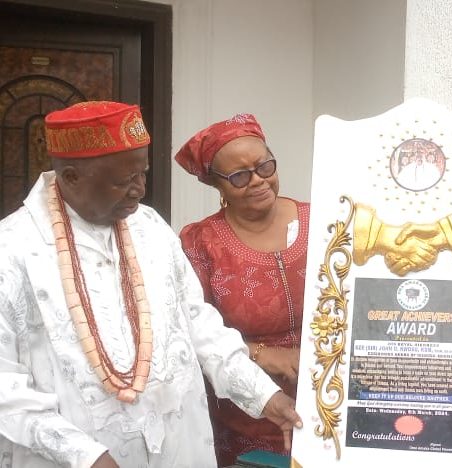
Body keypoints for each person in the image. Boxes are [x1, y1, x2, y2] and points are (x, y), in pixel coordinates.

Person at [0, 101, 301, 468]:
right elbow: (4, 385)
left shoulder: (150, 227)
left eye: (142, 174)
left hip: (178, 449)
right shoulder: (14, 249)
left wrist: (264, 395)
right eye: (123, 180)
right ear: (71, 177)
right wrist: (85, 456)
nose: (139, 190)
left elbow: (197, 322)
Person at [175, 114, 307, 465]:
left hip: (327, 403)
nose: (258, 181)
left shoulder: (325, 221)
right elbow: (189, 330)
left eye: (265, 166)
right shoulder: (200, 242)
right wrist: (262, 353)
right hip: (243, 416)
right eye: (239, 176)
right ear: (216, 185)